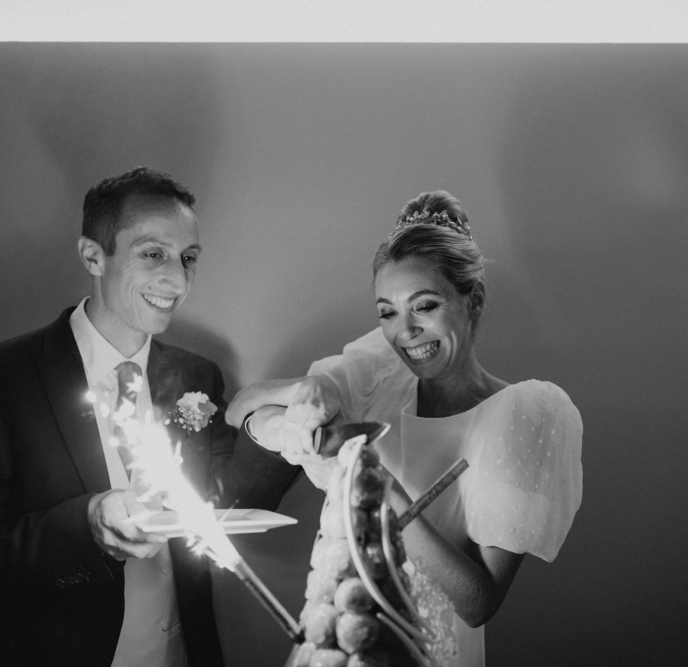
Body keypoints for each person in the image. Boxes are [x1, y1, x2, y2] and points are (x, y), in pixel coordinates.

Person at [0, 167, 299, 667]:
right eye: (153, 254)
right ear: (93, 256)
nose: (177, 278)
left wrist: (272, 429)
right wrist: (87, 525)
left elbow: (225, 504)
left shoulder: (197, 374)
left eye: (188, 258)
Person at [225, 191, 583, 666]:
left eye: (425, 305)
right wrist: (305, 388)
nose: (405, 331)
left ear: (472, 300)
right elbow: (238, 409)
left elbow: (478, 603)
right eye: (388, 312)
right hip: (335, 640)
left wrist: (382, 491)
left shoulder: (519, 414)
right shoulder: (380, 374)